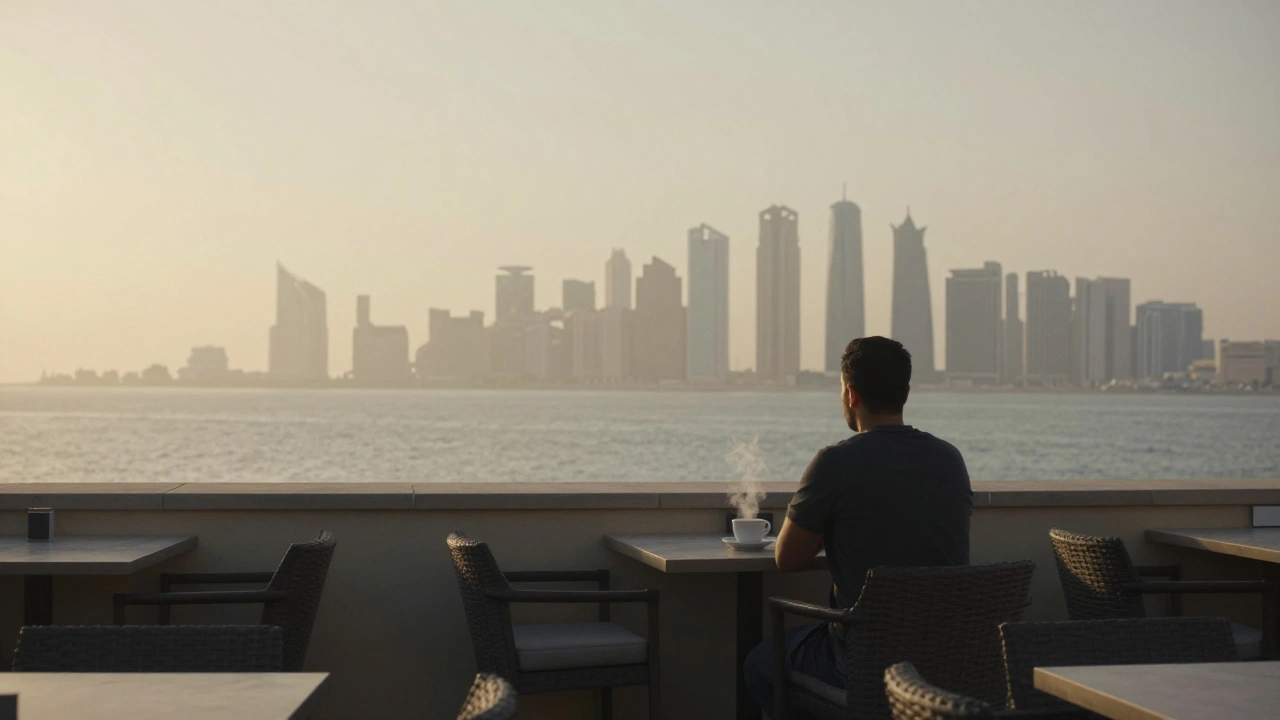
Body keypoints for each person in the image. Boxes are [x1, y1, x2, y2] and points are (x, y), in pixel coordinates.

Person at [743, 336, 973, 715]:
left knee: (758, 665)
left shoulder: (835, 463)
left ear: (851, 394)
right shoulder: (950, 460)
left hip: (859, 664)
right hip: (942, 662)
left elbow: (786, 558)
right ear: (905, 392)